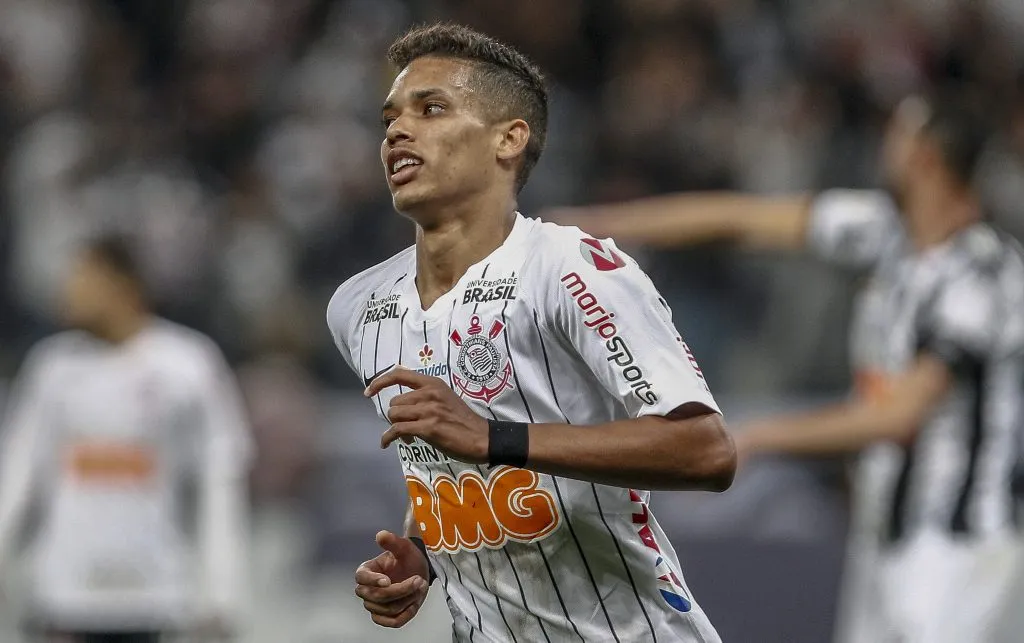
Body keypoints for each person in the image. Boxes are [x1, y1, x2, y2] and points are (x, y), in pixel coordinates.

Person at [549, 95, 1024, 643]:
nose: (884, 146)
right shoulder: (884, 231)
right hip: (886, 537)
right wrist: (593, 228)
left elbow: (898, 416)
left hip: (963, 546)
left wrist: (759, 434)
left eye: (899, 135)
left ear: (926, 159)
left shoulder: (984, 273)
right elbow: (740, 220)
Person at [327, 23, 736, 643]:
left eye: (431, 108)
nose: (397, 132)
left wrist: (496, 438)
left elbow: (707, 451)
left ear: (508, 139)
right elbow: (445, 464)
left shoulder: (571, 268)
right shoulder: (358, 307)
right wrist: (422, 550)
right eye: (390, 118)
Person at [0, 235, 253, 643]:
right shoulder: (52, 368)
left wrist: (222, 592)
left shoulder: (188, 364)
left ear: (123, 285)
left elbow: (218, 482)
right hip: (65, 592)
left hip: (153, 593)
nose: (69, 290)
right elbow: (18, 474)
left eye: (83, 277)